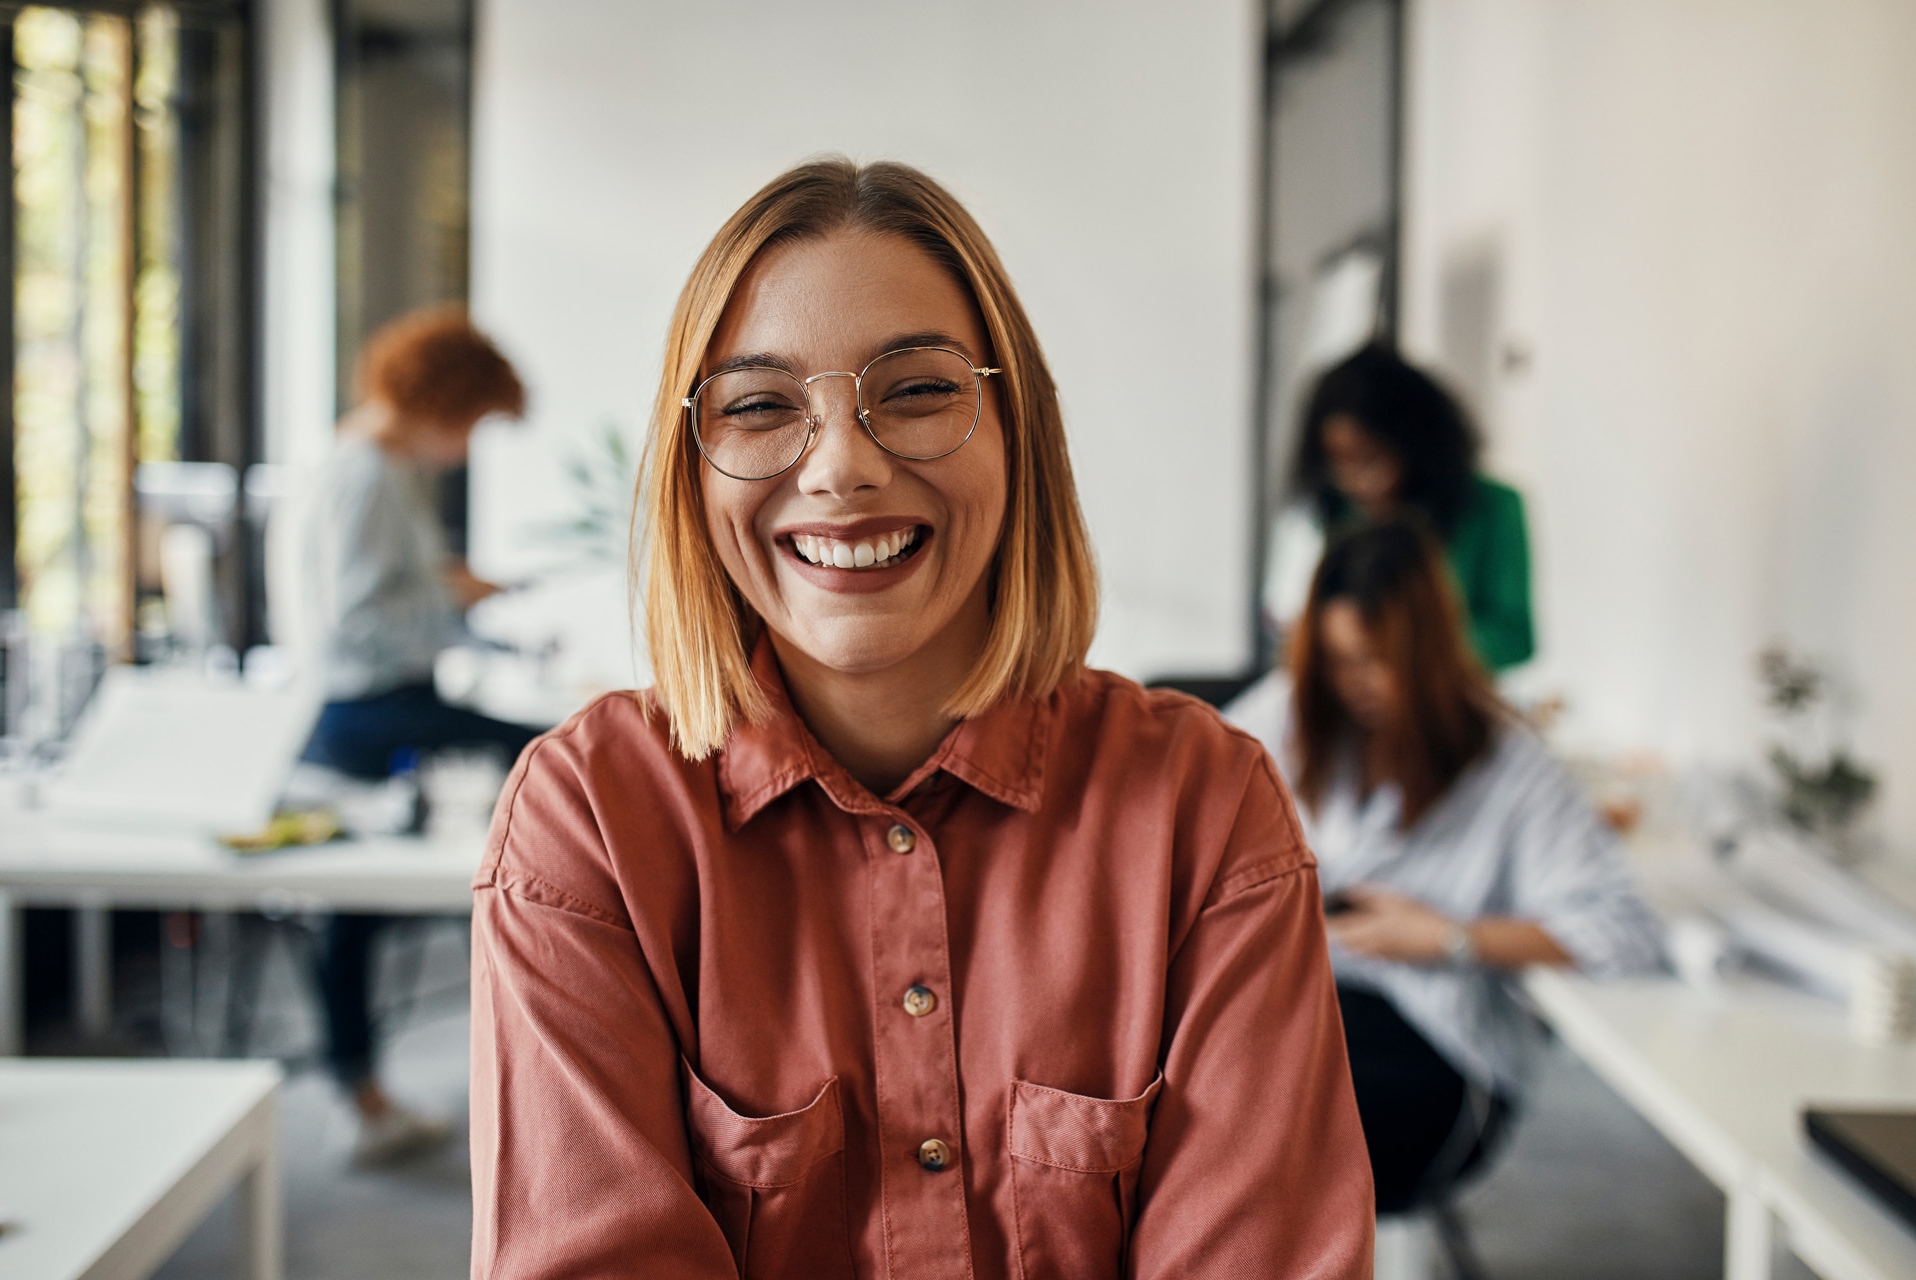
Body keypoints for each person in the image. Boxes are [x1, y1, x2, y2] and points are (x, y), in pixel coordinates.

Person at [468, 159, 1373, 1278]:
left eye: (919, 390)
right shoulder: (590, 821)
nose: (843, 466)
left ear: (1018, 431)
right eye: (758, 405)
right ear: (691, 474)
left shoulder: (1205, 807)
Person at [1228, 519, 1661, 1213]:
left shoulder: (1509, 765)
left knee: (1250, 1139)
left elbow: (1624, 932)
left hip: (1430, 1050)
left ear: (1427, 654)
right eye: (1338, 660)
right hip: (1294, 1013)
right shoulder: (1288, 717)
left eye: (1375, 660)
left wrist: (1449, 938)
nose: (1354, 684)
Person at [298, 305, 543, 1164]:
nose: (468, 444)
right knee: (553, 755)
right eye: (473, 422)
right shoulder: (366, 473)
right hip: (364, 710)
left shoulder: (378, 467)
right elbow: (357, 620)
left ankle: (363, 1088)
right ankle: (364, 1090)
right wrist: (454, 598)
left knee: (357, 912)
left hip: (381, 699)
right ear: (446, 400)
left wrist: (462, 601)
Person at [1264, 343, 1536, 671]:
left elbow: (1513, 637)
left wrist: (1401, 642)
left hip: (1449, 705)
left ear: (1413, 444)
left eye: (1370, 460)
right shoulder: (1338, 511)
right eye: (1340, 464)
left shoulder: (1491, 507)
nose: (1355, 481)